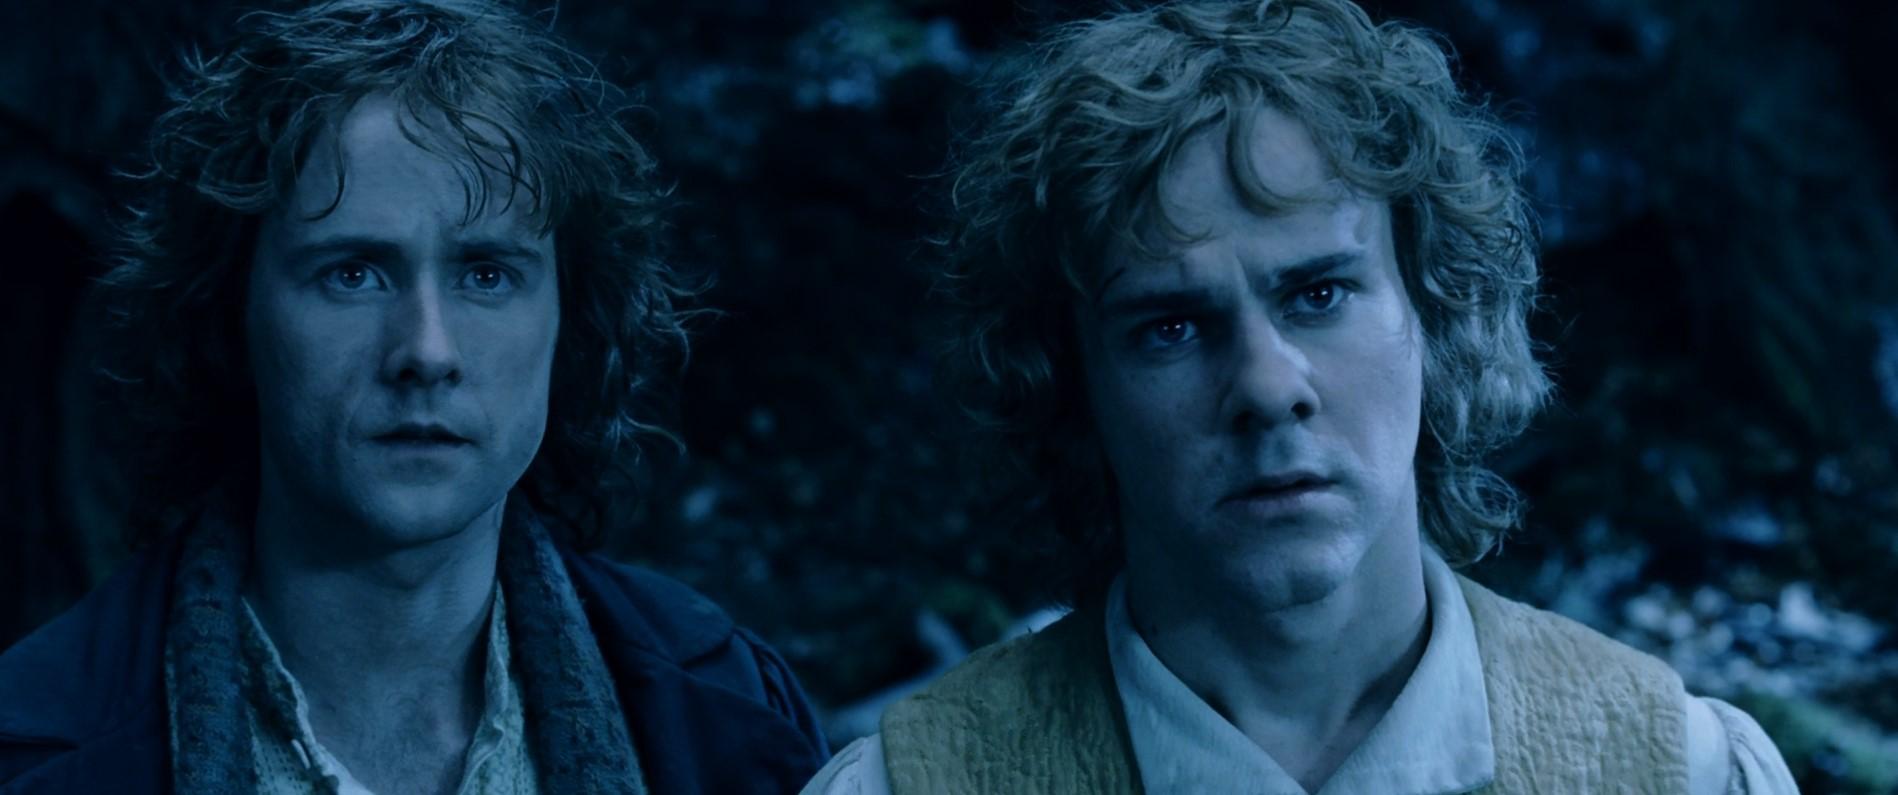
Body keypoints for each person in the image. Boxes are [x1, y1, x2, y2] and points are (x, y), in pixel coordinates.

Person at [804, 0, 1797, 792]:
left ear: (1433, 311)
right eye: (1170, 326)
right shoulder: (907, 785)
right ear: (1072, 386)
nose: (1267, 386)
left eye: (1318, 295)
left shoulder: (1677, 770)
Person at [0, 1, 828, 792]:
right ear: (231, 313)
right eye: (353, 273)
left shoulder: (729, 718)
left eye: (486, 274)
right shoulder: (33, 752)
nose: (427, 351)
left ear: (568, 321)